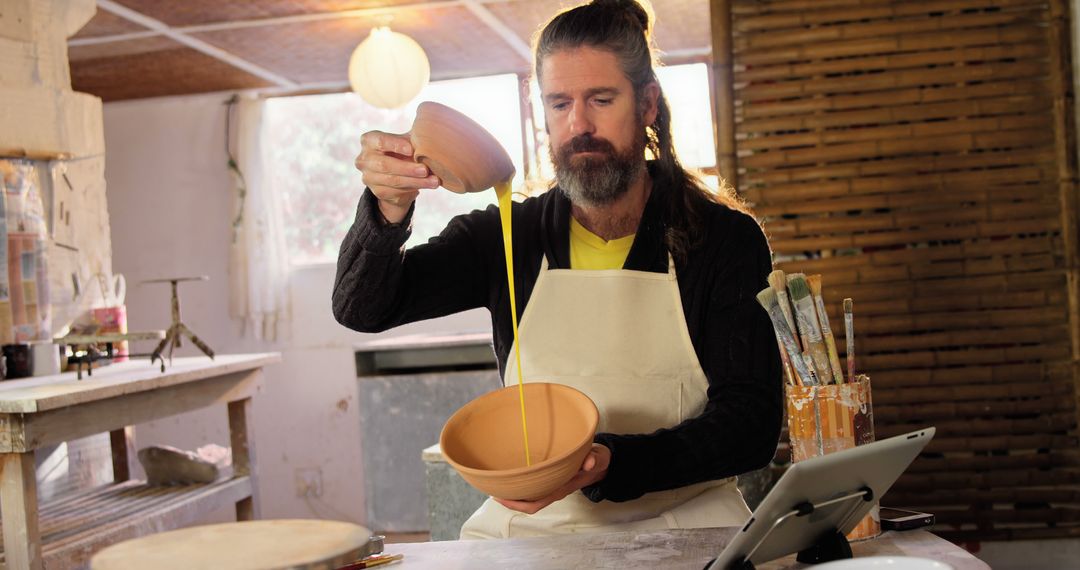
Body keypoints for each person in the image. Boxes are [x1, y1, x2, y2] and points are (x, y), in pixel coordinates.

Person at [334, 0, 783, 539]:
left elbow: (751, 425)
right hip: (533, 536)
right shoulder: (507, 236)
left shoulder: (723, 241)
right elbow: (363, 308)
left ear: (646, 104)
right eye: (559, 103)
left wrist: (612, 463)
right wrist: (387, 207)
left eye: (601, 99)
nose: (579, 126)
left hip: (685, 529)